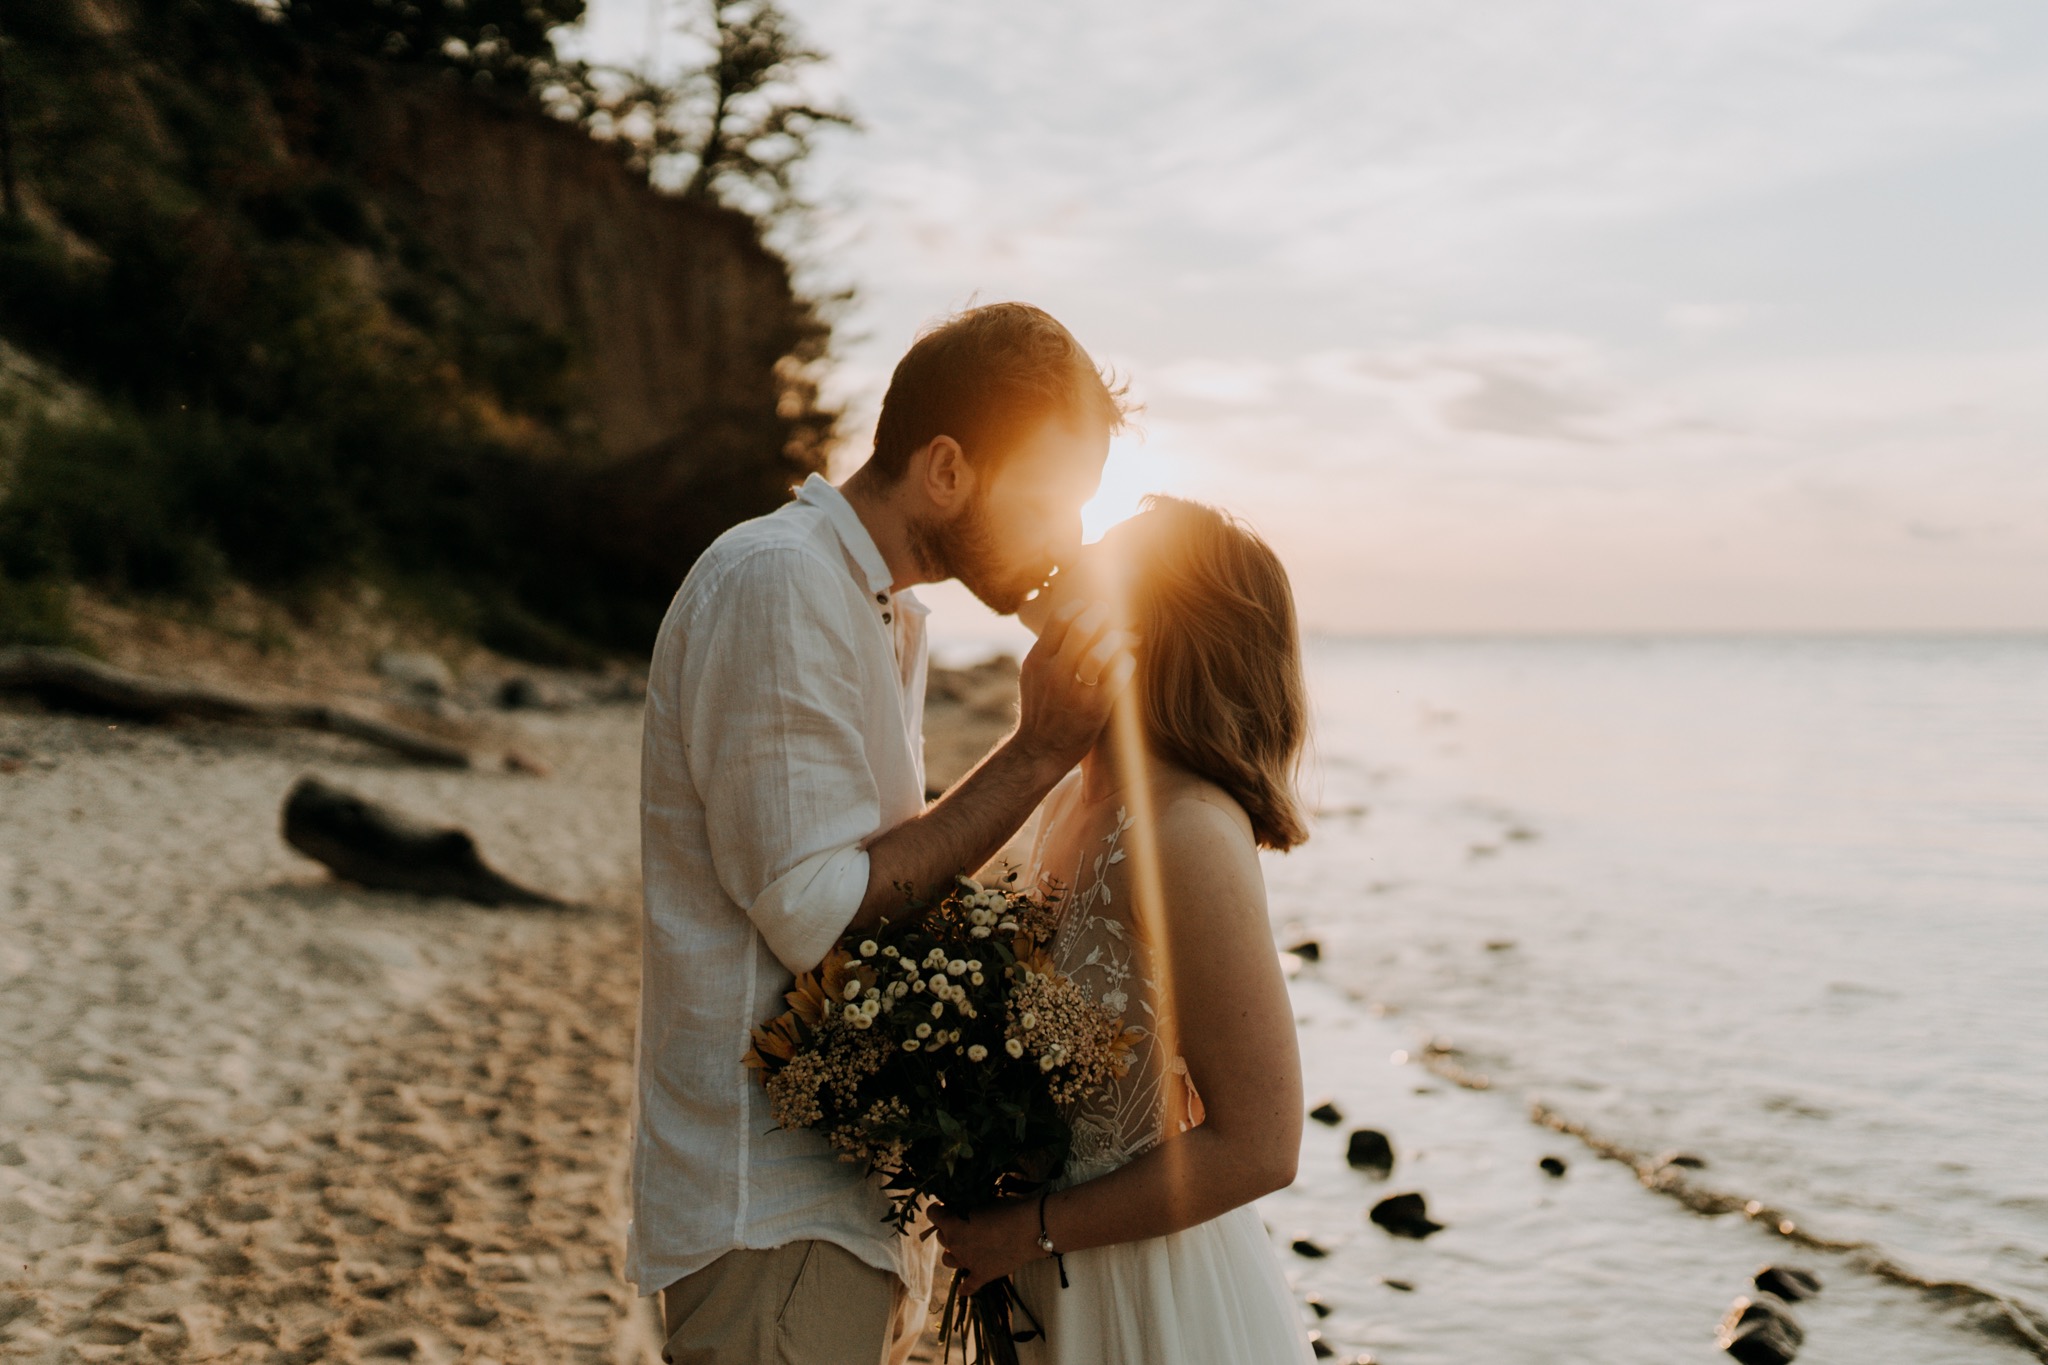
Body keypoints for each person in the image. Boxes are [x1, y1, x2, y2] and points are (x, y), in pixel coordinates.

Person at [631, 302, 1139, 1365]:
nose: (1069, 540)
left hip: (821, 1208)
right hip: (767, 1210)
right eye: (1049, 503)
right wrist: (1035, 750)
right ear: (945, 470)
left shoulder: (873, 607)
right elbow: (817, 914)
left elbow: (895, 888)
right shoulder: (780, 582)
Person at [928, 496, 1318, 1364]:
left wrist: (1026, 1231)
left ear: (1149, 630)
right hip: (1046, 1274)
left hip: (1147, 1297)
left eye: (1094, 578)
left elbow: (1262, 1143)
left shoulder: (1186, 830)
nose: (1062, 588)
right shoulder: (1070, 795)